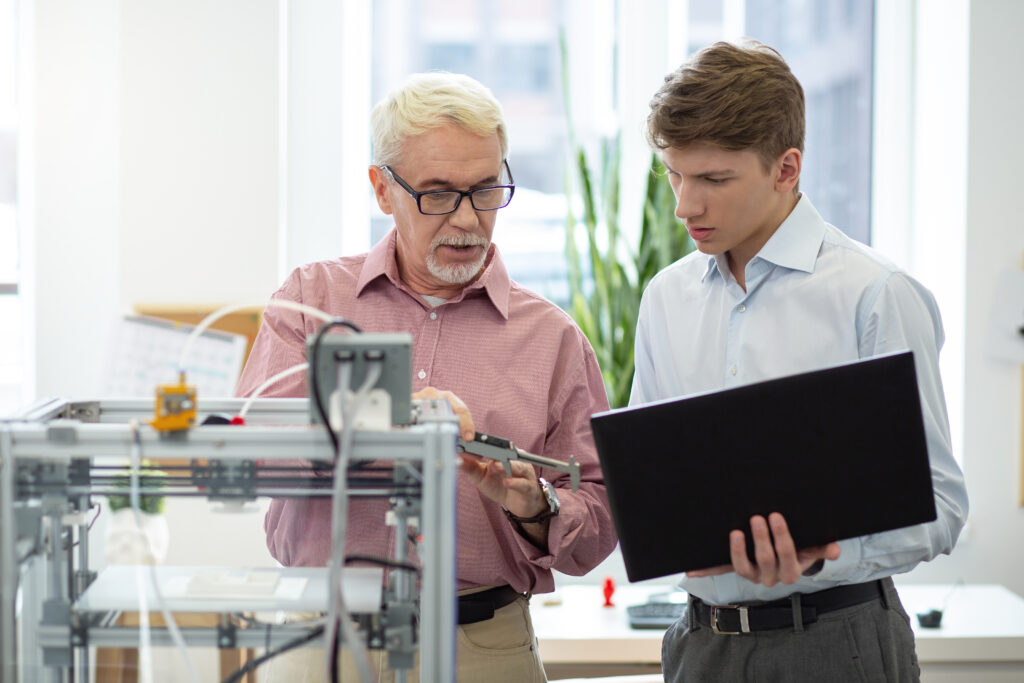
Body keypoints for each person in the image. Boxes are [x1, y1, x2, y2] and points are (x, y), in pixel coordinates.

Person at [235, 71, 617, 682]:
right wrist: (398, 412)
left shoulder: (553, 338)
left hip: (482, 646)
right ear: (382, 190)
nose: (466, 219)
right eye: (437, 193)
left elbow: (598, 527)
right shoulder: (311, 299)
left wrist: (535, 506)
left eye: (486, 189)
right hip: (321, 639)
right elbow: (253, 448)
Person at [631, 41, 968, 682]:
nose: (684, 205)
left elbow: (941, 507)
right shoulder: (665, 298)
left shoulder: (875, 294)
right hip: (699, 647)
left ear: (787, 168)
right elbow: (649, 487)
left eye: (713, 179)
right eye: (674, 174)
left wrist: (818, 558)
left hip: (838, 643)